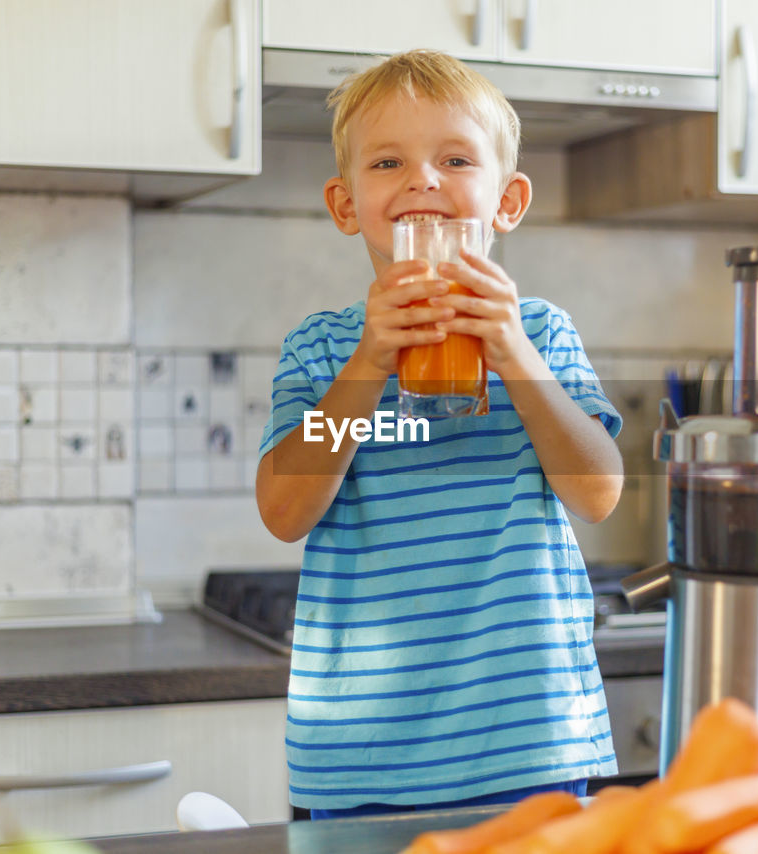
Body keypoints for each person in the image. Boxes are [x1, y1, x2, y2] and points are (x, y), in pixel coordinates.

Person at [255, 48, 625, 819]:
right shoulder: (323, 349)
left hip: (530, 741)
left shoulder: (543, 336)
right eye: (388, 161)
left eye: (455, 157)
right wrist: (370, 360)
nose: (422, 179)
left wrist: (513, 353)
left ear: (507, 200)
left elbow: (596, 493)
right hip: (360, 758)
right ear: (346, 204)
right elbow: (284, 513)